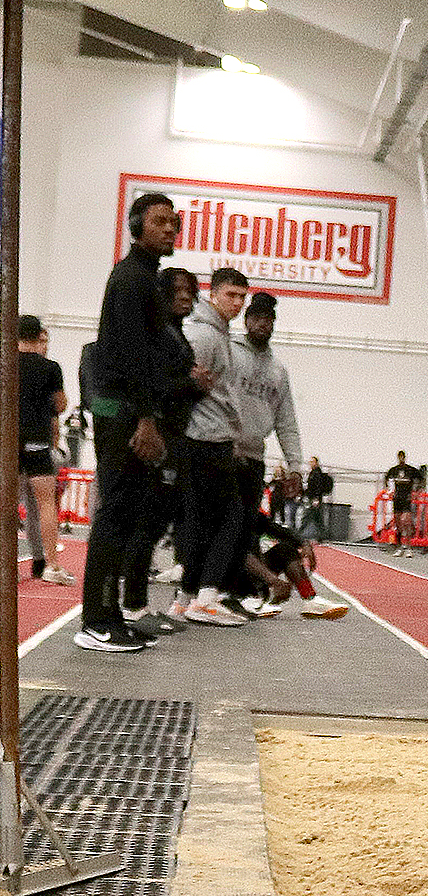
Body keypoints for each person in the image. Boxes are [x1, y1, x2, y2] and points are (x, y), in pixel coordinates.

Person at [77, 193, 180, 652]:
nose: (169, 229)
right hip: (123, 413)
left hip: (132, 411)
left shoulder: (147, 279)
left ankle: (111, 614)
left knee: (129, 513)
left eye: (174, 223)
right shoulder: (130, 279)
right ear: (135, 228)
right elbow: (131, 354)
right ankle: (95, 623)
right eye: (159, 222)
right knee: (115, 514)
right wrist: (146, 417)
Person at [176, 267, 252, 627]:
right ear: (213, 293)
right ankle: (206, 597)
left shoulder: (218, 334)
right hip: (206, 439)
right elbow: (180, 375)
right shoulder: (204, 335)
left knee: (199, 521)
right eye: (230, 295)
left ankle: (187, 597)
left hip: (211, 437)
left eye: (242, 297)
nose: (237, 303)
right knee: (231, 517)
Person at [131, 268, 205, 636]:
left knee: (159, 521)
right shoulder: (158, 333)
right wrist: (191, 383)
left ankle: (136, 603)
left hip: (176, 433)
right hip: (158, 433)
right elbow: (153, 381)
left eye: (190, 290)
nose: (185, 296)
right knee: (145, 522)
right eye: (177, 290)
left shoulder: (176, 334)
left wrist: (196, 385)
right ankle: (133, 605)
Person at [228, 290, 304, 616]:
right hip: (224, 454)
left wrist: (296, 466)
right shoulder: (230, 353)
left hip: (255, 459)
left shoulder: (278, 371)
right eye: (257, 317)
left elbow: (287, 421)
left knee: (247, 527)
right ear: (246, 321)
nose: (263, 324)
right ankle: (217, 590)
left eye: (269, 319)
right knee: (229, 528)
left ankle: (307, 598)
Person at [17, 315, 72, 586]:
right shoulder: (50, 367)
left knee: (6, 506)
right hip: (37, 441)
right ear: (38, 335)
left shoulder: (6, 363)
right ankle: (51, 565)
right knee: (46, 504)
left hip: (8, 443)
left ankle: (8, 567)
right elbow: (60, 405)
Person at [383, 452, 424, 557]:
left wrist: (417, 491)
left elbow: (421, 479)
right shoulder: (394, 470)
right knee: (398, 524)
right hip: (397, 499)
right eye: (399, 457)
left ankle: (409, 547)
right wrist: (388, 490)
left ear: (405, 458)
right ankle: (399, 546)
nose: (401, 459)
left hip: (406, 498)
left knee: (406, 521)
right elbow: (386, 479)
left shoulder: (410, 470)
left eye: (403, 457)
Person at [301, 455, 334, 540]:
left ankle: (301, 533)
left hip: (315, 498)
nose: (310, 464)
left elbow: (317, 486)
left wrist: (316, 498)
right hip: (312, 498)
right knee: (316, 517)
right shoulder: (312, 472)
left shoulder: (317, 473)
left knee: (312, 517)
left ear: (316, 463)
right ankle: (322, 536)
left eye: (312, 462)